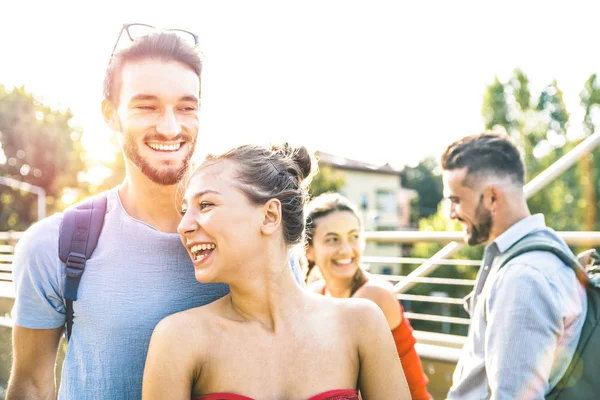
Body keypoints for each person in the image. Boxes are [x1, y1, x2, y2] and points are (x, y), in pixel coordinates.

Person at [7, 25, 303, 399]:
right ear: (110, 115)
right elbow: (31, 386)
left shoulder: (263, 239)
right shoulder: (54, 244)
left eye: (186, 107)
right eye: (147, 106)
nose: (170, 126)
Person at [142, 143, 411, 400]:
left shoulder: (361, 323)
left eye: (206, 205)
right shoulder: (178, 339)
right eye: (185, 211)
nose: (183, 226)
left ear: (270, 216)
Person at [442, 132, 587, 399]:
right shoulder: (543, 250)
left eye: (455, 200)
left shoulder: (522, 279)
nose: (451, 214)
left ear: (492, 198)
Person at [304, 192, 431, 400]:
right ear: (308, 250)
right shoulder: (316, 293)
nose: (346, 249)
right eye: (332, 239)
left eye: (353, 236)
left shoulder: (374, 295)